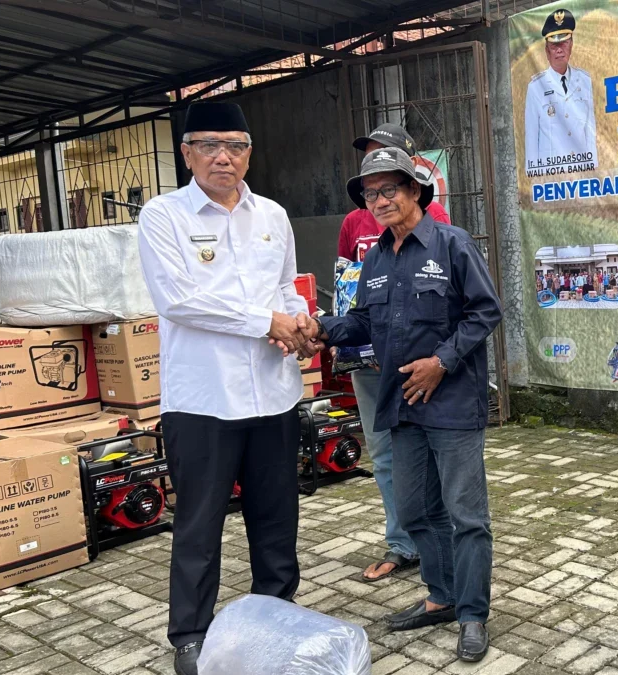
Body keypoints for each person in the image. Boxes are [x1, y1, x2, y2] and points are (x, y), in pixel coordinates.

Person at [293, 146, 502, 662]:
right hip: (402, 403)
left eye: (389, 189)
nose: (380, 200)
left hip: (452, 404)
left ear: (414, 192)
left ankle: (472, 613)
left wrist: (443, 361)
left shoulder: (453, 245)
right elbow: (363, 320)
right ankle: (441, 596)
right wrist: (322, 328)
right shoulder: (377, 259)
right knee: (414, 509)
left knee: (465, 514)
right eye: (371, 193)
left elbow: (486, 310)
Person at [136, 101, 310, 675]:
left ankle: (277, 615)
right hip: (203, 400)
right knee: (199, 523)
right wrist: (268, 323)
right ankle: (190, 633)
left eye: (235, 145)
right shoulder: (164, 216)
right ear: (186, 153)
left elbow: (286, 287)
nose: (223, 157)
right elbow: (179, 300)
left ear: (249, 152)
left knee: (276, 516)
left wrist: (301, 321)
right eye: (209, 145)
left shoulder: (273, 216)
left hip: (273, 392)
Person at [339, 123, 452, 583]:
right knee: (384, 455)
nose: (377, 180)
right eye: (368, 158)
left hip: (421, 365)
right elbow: (348, 291)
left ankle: (440, 543)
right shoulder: (353, 223)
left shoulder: (436, 220)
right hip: (369, 361)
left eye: (384, 157)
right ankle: (402, 543)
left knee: (433, 453)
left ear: (410, 176)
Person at [523, 9, 597, 177]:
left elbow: (590, 130)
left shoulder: (585, 80)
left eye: (563, 43)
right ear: (547, 50)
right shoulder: (536, 87)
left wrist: (593, 167)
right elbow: (532, 137)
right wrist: (535, 179)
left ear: (571, 45)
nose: (559, 50)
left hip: (581, 173)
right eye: (553, 45)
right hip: (552, 179)